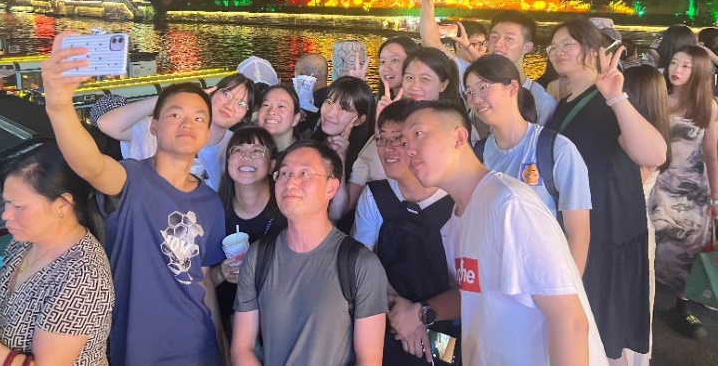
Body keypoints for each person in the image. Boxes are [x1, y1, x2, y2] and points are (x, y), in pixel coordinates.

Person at [41, 32, 228, 366]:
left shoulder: (210, 202)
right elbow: (90, 164)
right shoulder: (131, 179)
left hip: (200, 347)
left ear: (206, 133)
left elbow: (201, 280)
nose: (188, 123)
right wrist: (58, 105)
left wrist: (223, 347)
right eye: (175, 115)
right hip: (139, 349)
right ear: (153, 127)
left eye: (199, 118)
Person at [395, 101, 607, 365]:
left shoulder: (510, 205)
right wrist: (422, 313)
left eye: (418, 134)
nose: (408, 150)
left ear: (459, 137)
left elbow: (570, 321)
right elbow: (477, 295)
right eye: (404, 142)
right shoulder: (456, 221)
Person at [544, 18, 667, 362]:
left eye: (567, 44)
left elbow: (654, 154)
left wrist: (616, 96)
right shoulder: (564, 100)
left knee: (600, 328)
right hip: (580, 224)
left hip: (608, 227)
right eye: (552, 46)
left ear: (593, 50)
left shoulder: (610, 98)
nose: (557, 52)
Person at [231, 141, 388, 366]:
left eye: (304, 173)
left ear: (331, 188)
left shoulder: (360, 264)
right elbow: (242, 348)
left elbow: (369, 360)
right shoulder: (258, 257)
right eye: (284, 173)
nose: (290, 182)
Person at [0, 144, 114, 366]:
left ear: (62, 204)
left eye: (19, 207)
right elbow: (2, 316)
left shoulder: (84, 276)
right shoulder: (25, 242)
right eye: (6, 203)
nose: (6, 215)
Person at [464, 54, 592, 275]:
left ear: (512, 88)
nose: (476, 99)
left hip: (545, 278)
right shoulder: (478, 154)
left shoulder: (556, 149)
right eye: (469, 92)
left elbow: (579, 235)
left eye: (483, 88)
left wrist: (571, 289)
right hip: (494, 276)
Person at [352, 100, 457, 365]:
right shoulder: (375, 195)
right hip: (389, 315)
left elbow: (474, 290)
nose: (387, 148)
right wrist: (402, 311)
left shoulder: (456, 201)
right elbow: (362, 265)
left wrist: (420, 316)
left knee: (449, 355)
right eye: (381, 139)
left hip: (445, 321)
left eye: (398, 139)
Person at [650, 45, 718, 339]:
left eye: (686, 66)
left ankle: (682, 305)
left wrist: (715, 197)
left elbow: (712, 153)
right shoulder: (657, 98)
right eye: (674, 62)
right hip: (657, 185)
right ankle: (645, 298)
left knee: (687, 249)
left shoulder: (708, 106)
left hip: (691, 191)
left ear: (700, 71)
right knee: (652, 244)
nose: (676, 70)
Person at [344, 47, 461, 217]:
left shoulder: (456, 129)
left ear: (444, 84)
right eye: (409, 77)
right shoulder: (387, 126)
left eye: (425, 79)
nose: (414, 86)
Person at [97, 73, 255, 191]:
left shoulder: (237, 148)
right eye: (226, 94)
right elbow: (107, 124)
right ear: (212, 92)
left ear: (244, 116)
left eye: (241, 104)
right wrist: (173, 99)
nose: (229, 105)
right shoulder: (167, 127)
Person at [213, 127, 287, 339]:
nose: (246, 157)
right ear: (228, 162)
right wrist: (222, 273)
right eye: (238, 150)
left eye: (257, 151)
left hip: (278, 322)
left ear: (272, 164)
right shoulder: (213, 212)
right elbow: (200, 281)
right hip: (228, 323)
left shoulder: (288, 211)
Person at [622, 64, 672, 365]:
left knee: (629, 302)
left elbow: (627, 189)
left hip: (630, 231)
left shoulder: (640, 142)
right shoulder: (655, 131)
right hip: (638, 227)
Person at [312, 76, 376, 221]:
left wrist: (340, 157)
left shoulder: (362, 159)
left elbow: (337, 213)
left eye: (343, 108)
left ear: (359, 120)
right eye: (329, 102)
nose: (330, 113)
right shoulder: (314, 138)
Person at [418, 0, 488, 87]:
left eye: (483, 44)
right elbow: (430, 40)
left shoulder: (490, 70)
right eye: (476, 44)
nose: (482, 48)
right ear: (459, 45)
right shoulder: (455, 66)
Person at [487, 10, 557, 125]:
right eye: (494, 36)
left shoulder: (542, 103)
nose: (498, 43)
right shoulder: (477, 91)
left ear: (527, 47)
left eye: (509, 38)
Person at [256, 84, 301, 155]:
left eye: (281, 106)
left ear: (295, 119)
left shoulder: (306, 155)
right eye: (266, 105)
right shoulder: (244, 149)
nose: (271, 112)